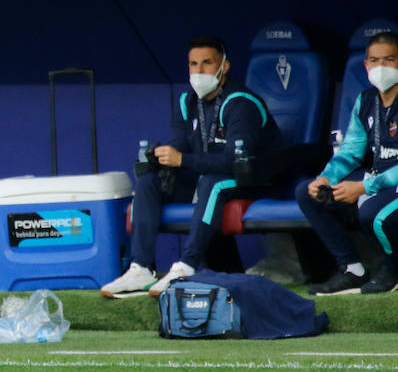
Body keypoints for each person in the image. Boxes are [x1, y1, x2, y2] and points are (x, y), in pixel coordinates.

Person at [101, 35, 287, 300]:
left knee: (214, 182)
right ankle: (141, 267)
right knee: (149, 182)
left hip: (254, 177)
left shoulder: (241, 102)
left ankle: (187, 265)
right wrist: (160, 155)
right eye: (193, 64)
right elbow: (180, 145)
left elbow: (236, 161)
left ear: (224, 66)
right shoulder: (187, 102)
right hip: (208, 175)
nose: (199, 71)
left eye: (207, 63)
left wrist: (182, 160)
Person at [298, 31, 398, 295]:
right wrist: (325, 178)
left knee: (372, 212)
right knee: (309, 193)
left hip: (390, 184)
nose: (381, 67)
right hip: (378, 179)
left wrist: (364, 188)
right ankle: (352, 269)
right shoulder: (366, 100)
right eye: (374, 61)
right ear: (365, 65)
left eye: (389, 60)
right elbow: (350, 153)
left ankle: (393, 268)